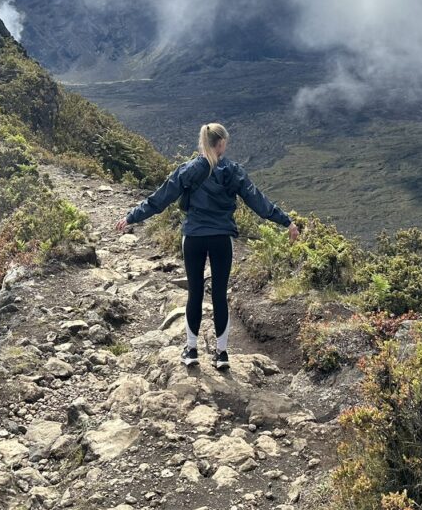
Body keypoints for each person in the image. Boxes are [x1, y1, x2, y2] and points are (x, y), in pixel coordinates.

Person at [114, 122, 299, 369]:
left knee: (195, 292)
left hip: (193, 238)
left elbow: (160, 199)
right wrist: (286, 221)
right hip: (221, 239)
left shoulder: (187, 170)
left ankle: (191, 350)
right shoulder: (233, 171)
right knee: (219, 295)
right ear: (220, 143)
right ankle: (221, 354)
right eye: (226, 142)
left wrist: (131, 217)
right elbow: (258, 202)